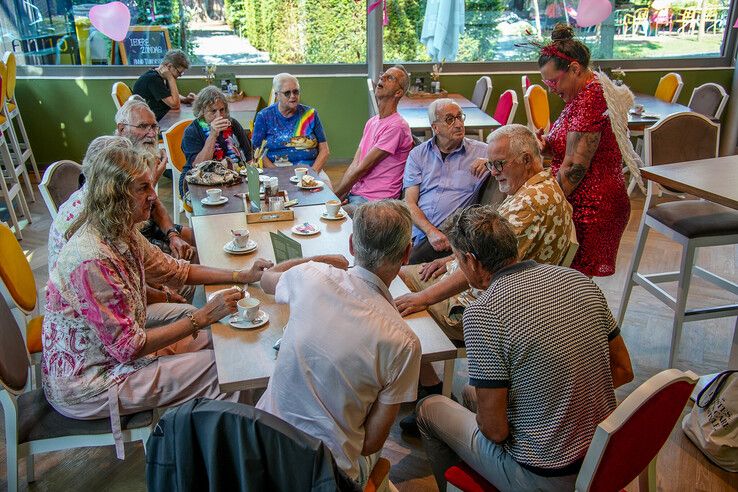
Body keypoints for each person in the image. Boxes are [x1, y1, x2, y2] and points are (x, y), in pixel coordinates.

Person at [43, 136, 273, 426]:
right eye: (143, 187)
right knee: (227, 371)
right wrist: (201, 317)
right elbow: (128, 348)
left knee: (223, 343)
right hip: (90, 383)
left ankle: (220, 440)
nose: (154, 195)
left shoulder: (118, 229)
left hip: (115, 353)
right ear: (116, 195)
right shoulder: (91, 259)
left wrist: (243, 275)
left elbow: (177, 271)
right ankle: (231, 455)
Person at [416, 207, 634, 491]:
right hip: (603, 455)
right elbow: (623, 370)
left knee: (429, 409)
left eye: (457, 259)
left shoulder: (483, 314)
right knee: (470, 395)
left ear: (470, 261)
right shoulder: (577, 279)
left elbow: (495, 431)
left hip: (545, 475)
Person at [395, 125, 573, 435]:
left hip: (483, 307)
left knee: (398, 300)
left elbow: (480, 272)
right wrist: (449, 259)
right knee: (400, 278)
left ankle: (431, 390)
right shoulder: (537, 188)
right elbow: (483, 251)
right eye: (490, 164)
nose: (493, 172)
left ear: (528, 159)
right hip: (486, 286)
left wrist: (423, 298)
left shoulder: (529, 205)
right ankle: (420, 381)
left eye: (499, 164)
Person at [256, 200, 422, 487]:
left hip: (260, 450)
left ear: (352, 245)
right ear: (407, 253)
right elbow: (370, 443)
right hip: (325, 476)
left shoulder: (311, 276)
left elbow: (266, 279)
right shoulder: (404, 343)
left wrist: (315, 260)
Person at [537, 24, 640, 277]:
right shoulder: (579, 94)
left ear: (574, 69)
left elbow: (575, 166)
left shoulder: (592, 98)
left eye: (553, 81)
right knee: (563, 282)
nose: (551, 88)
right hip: (578, 199)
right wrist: (547, 145)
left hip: (592, 206)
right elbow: (567, 146)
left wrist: (542, 204)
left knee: (572, 285)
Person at [403, 98, 489, 265]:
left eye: (460, 117)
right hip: (417, 228)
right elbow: (409, 202)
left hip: (449, 234)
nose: (458, 124)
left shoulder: (483, 152)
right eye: (450, 119)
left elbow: (519, 153)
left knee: (407, 265)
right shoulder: (418, 154)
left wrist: (492, 162)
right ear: (435, 128)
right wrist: (430, 231)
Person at [114, 98, 197, 261]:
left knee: (203, 239)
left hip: (152, 225)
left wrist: (172, 234)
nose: (152, 133)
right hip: (131, 237)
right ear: (122, 129)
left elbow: (154, 203)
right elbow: (120, 228)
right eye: (143, 126)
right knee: (194, 255)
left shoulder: (143, 155)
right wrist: (152, 180)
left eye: (153, 126)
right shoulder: (114, 164)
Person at [334, 66, 414, 205]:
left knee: (326, 219)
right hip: (358, 194)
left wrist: (333, 199)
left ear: (398, 92)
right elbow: (355, 164)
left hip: (376, 201)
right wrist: (340, 194)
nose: (382, 78)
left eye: (390, 78)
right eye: (383, 75)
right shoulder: (372, 122)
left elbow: (363, 168)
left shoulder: (397, 127)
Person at [251, 73, 331, 182]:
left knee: (327, 189)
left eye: (296, 91)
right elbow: (257, 151)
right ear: (277, 95)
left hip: (310, 170)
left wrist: (312, 173)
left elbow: (324, 150)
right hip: (276, 171)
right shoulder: (264, 116)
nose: (293, 96)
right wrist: (277, 173)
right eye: (287, 93)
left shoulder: (311, 114)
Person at [180, 86, 253, 199]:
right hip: (199, 181)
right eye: (213, 111)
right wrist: (213, 135)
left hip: (233, 178)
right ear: (201, 112)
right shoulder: (192, 131)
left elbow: (248, 156)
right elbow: (198, 166)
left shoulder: (233, 124)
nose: (219, 115)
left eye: (222, 110)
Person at [132, 49, 197, 121]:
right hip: (150, 121)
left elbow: (168, 95)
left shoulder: (160, 76)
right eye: (179, 72)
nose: (180, 76)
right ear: (169, 66)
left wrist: (185, 99)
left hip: (160, 117)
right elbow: (175, 105)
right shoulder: (153, 79)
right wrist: (171, 79)